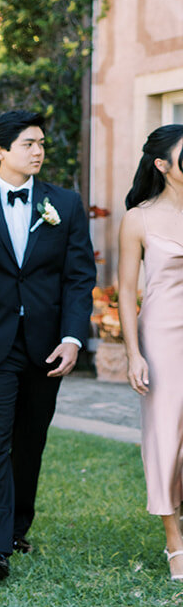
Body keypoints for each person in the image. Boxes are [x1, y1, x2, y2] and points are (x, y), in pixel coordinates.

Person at [0, 112, 95, 580]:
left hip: (46, 347)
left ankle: (16, 527)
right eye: (29, 143)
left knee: (30, 442)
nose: (38, 152)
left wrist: (73, 338)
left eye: (42, 144)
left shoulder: (65, 204)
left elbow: (78, 277)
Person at [117, 123, 183, 582]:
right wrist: (133, 353)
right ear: (163, 165)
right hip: (162, 336)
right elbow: (124, 291)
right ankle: (174, 539)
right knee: (165, 437)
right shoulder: (137, 218)